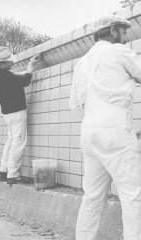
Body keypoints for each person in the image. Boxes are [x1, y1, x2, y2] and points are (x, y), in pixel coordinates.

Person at [70, 15, 141, 240]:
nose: (125, 36)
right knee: (131, 194)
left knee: (92, 197)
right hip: (115, 131)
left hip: (89, 131)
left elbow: (75, 106)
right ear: (112, 30)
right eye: (123, 31)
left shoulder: (81, 63)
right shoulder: (118, 51)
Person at [0, 46, 41, 184]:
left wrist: (19, 73)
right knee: (18, 142)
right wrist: (31, 65)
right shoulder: (4, 75)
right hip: (17, 112)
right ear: (2, 63)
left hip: (7, 113)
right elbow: (25, 81)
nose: (12, 63)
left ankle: (3, 170)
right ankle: (13, 174)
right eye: (9, 62)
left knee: (11, 141)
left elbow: (13, 78)